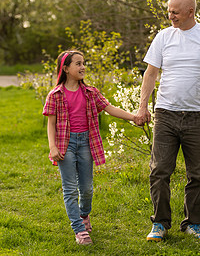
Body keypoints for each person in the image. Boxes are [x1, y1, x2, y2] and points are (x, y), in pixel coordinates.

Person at [135, 0, 200, 241]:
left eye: (175, 12)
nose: (171, 16)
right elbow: (150, 73)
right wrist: (142, 106)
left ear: (191, 11)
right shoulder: (163, 37)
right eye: (169, 11)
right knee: (159, 171)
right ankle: (160, 224)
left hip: (198, 117)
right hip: (165, 114)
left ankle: (193, 223)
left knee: (198, 174)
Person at [43, 50, 138, 245]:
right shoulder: (55, 95)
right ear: (66, 68)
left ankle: (84, 215)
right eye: (77, 64)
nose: (82, 67)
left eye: (83, 63)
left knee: (86, 189)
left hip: (86, 142)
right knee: (70, 189)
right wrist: (52, 147)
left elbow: (110, 109)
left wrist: (134, 117)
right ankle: (79, 230)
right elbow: (50, 124)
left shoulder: (90, 92)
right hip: (65, 144)